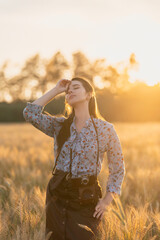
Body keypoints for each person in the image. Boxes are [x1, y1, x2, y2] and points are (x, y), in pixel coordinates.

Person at [23, 77, 125, 240]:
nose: (69, 91)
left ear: (89, 94)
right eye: (68, 90)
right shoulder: (59, 125)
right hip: (57, 194)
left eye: (75, 88)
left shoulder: (105, 130)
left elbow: (117, 168)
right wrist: (56, 90)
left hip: (85, 197)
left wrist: (107, 200)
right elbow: (30, 113)